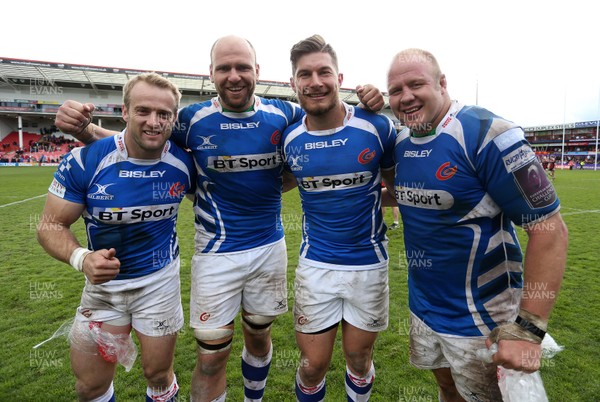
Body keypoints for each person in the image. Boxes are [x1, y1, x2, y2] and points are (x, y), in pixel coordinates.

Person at [54, 35, 385, 402]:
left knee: (259, 337)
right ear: (210, 73)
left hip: (268, 249)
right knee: (212, 357)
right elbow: (140, 138)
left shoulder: (285, 114)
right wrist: (85, 130)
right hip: (215, 255)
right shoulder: (191, 120)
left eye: (243, 67)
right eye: (224, 68)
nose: (234, 75)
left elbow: (320, 136)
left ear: (257, 72)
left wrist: (368, 97)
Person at [384, 48, 568, 401]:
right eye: (395, 90)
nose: (405, 97)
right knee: (446, 388)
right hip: (423, 307)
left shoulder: (489, 133)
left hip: (483, 315)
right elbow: (413, 195)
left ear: (442, 83)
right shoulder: (402, 142)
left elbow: (549, 228)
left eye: (416, 84)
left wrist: (529, 328)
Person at [37, 73, 196, 402]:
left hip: (159, 284)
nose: (153, 122)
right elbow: (49, 225)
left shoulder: (184, 162)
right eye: (143, 111)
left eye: (163, 114)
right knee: (90, 386)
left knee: (158, 376)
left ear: (173, 118)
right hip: (103, 290)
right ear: (124, 111)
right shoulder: (85, 160)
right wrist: (82, 258)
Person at [282, 35, 396, 402]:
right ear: (293, 83)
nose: (315, 81)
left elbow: (400, 190)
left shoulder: (376, 127)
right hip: (316, 266)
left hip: (368, 265)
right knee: (312, 365)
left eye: (323, 72)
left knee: (359, 359)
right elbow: (270, 181)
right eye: (305, 74)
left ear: (339, 78)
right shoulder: (289, 138)